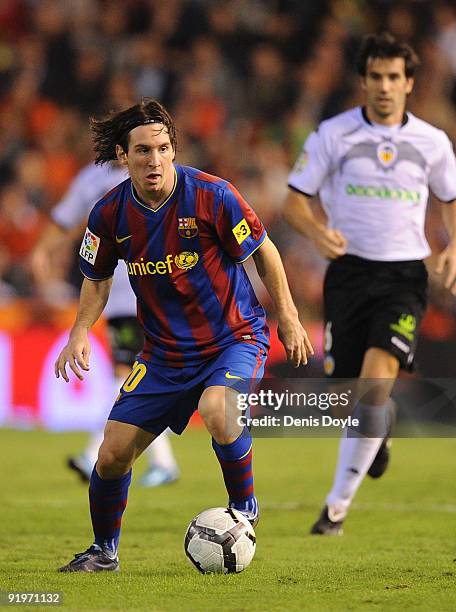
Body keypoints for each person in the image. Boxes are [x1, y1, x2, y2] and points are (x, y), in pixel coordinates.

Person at [55, 98, 313, 572]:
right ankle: (103, 551)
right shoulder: (108, 214)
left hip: (233, 338)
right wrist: (79, 333)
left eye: (163, 148)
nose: (154, 160)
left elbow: (264, 250)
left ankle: (245, 510)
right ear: (122, 156)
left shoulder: (213, 195)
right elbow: (96, 277)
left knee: (218, 408)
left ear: (174, 150)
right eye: (143, 151)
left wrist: (289, 317)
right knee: (111, 455)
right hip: (164, 354)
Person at [283, 32, 456, 535]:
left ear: (409, 83)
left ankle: (334, 511)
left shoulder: (432, 142)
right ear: (363, 82)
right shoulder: (332, 134)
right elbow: (294, 200)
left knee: (373, 384)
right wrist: (318, 232)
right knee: (349, 395)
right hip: (348, 275)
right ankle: (377, 429)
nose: (385, 86)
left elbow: (452, 198)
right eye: (376, 77)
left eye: (394, 77)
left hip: (404, 275)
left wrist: (454, 248)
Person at [31, 162, 180, 488]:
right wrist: (43, 249)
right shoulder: (92, 179)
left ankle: (104, 455)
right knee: (135, 375)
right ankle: (155, 460)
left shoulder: (156, 172)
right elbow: (65, 219)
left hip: (153, 291)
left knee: (131, 375)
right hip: (118, 298)